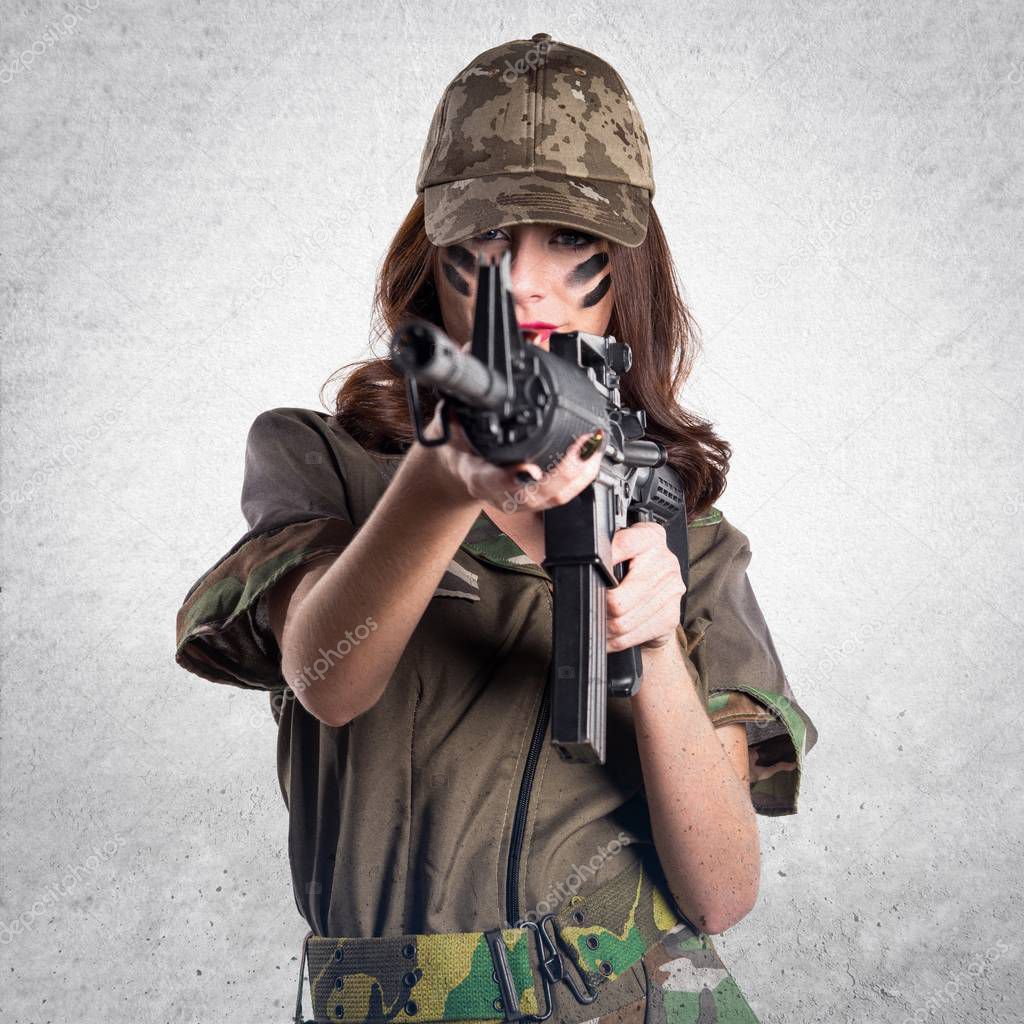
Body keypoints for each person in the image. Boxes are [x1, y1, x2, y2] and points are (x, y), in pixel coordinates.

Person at [174, 33, 818, 1024]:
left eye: (571, 243)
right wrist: (439, 487)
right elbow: (326, 676)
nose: (524, 282)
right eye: (484, 242)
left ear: (629, 273)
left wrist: (654, 647)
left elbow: (722, 892)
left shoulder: (693, 539)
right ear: (430, 263)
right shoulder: (330, 466)